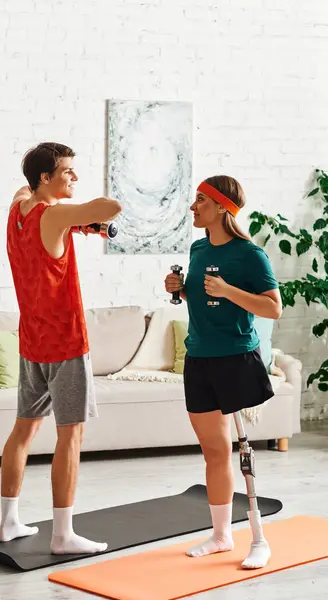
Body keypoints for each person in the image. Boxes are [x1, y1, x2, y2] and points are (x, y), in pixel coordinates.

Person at [0, 142, 121, 555]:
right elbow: (111, 207)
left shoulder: (18, 209)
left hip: (32, 342)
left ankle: (8, 522)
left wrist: (76, 226)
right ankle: (63, 534)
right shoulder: (55, 214)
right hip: (66, 344)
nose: (74, 177)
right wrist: (81, 219)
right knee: (71, 436)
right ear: (46, 178)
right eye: (67, 171)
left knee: (23, 430)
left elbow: (24, 192)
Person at [164, 175, 282, 570]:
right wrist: (179, 289)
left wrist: (229, 290)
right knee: (214, 452)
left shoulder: (250, 255)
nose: (193, 207)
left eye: (200, 201)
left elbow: (272, 308)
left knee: (243, 450)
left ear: (221, 208)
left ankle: (259, 539)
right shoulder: (198, 248)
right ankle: (221, 535)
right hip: (198, 359)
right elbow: (200, 298)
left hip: (236, 359)